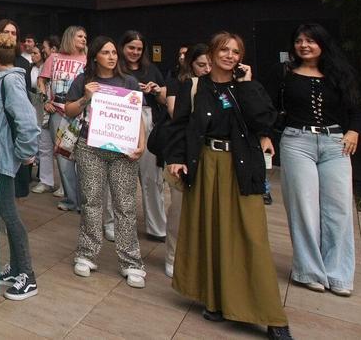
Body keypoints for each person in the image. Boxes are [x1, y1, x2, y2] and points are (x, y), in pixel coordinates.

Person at [165, 32, 292, 339]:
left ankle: (272, 316)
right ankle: (215, 300)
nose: (230, 55)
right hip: (206, 163)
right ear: (212, 52)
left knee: (252, 237)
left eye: (236, 51)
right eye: (224, 49)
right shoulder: (194, 86)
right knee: (209, 232)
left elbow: (265, 120)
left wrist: (246, 84)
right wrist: (177, 158)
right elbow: (179, 125)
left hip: (241, 165)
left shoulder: (247, 87)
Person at [279, 23, 361, 297]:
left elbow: (357, 108)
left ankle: (338, 273)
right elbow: (268, 104)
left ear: (322, 44)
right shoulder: (285, 74)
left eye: (310, 41)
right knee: (303, 207)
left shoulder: (339, 74)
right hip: (296, 142)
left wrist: (354, 130)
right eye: (299, 40)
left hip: (335, 143)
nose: (304, 45)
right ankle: (309, 270)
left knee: (339, 209)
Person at [64, 36, 146, 289]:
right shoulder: (84, 81)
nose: (111, 56)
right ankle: (87, 254)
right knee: (92, 201)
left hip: (123, 150)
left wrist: (141, 143)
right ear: (95, 56)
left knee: (125, 205)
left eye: (113, 52)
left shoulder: (128, 81)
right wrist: (85, 98)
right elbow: (68, 110)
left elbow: (137, 115)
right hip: (90, 147)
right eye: (105, 52)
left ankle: (131, 261)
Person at [0, 33, 41, 303]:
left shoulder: (11, 81)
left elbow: (28, 122)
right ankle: (16, 268)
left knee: (9, 215)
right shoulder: (0, 80)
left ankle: (27, 275)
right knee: (6, 214)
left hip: (6, 160)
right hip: (1, 158)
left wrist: (24, 154)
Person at [156, 42, 209, 279]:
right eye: (201, 64)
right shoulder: (181, 82)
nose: (207, 69)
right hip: (183, 153)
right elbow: (175, 117)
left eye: (210, 64)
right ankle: (173, 256)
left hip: (211, 155)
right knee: (179, 208)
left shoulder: (223, 86)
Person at [119, 31, 168, 242]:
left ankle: (157, 227)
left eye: (139, 49)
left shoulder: (151, 69)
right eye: (131, 47)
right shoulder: (116, 69)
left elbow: (165, 98)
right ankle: (116, 225)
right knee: (120, 177)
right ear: (123, 47)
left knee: (152, 178)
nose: (135, 52)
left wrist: (156, 90)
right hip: (121, 120)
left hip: (148, 119)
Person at [38, 26, 88, 211]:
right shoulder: (54, 58)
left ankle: (85, 201)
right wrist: (44, 100)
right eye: (80, 36)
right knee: (64, 159)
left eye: (85, 36)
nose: (84, 39)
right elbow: (41, 80)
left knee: (84, 159)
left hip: (82, 114)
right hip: (58, 113)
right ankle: (71, 200)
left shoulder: (88, 60)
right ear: (69, 37)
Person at [29, 38, 57, 195]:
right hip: (42, 107)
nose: (43, 50)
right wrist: (45, 100)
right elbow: (40, 83)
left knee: (63, 149)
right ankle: (46, 180)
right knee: (44, 144)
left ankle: (66, 187)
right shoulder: (39, 67)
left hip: (62, 109)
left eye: (44, 48)